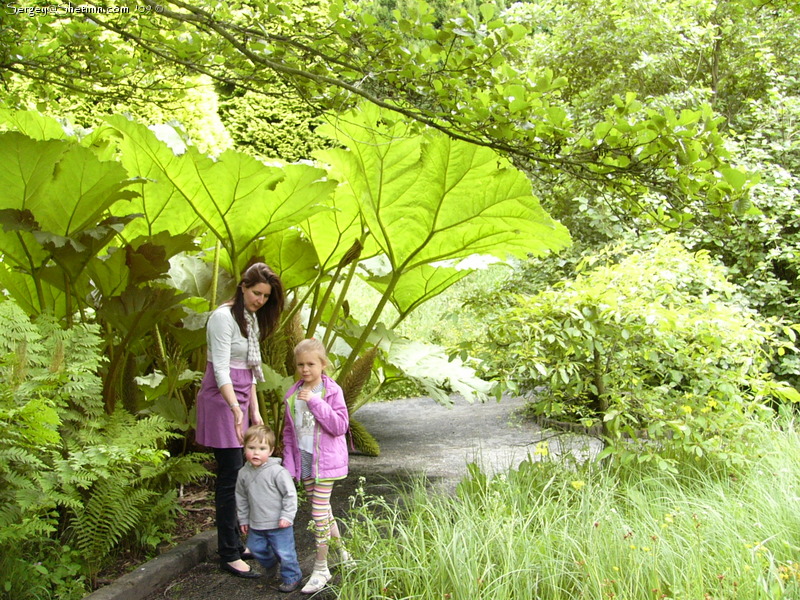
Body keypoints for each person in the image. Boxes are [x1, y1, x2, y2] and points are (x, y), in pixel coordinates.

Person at [195, 262, 284, 578]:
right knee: (231, 475)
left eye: (265, 296)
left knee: (243, 471)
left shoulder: (251, 318)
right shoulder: (223, 317)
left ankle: (236, 542)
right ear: (243, 287)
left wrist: (254, 411)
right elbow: (221, 369)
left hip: (242, 396)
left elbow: (250, 369)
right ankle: (229, 553)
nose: (260, 300)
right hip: (222, 399)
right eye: (256, 293)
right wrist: (234, 407)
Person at [282, 338, 351, 594]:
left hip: (326, 461)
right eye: (300, 364)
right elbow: (289, 433)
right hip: (305, 459)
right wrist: (290, 465)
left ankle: (322, 568)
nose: (305, 369)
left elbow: (339, 426)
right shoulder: (291, 394)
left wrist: (314, 401)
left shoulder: (331, 391)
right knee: (323, 509)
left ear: (323, 364)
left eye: (311, 364)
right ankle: (343, 554)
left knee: (318, 513)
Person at [236, 425, 303, 592]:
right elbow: (241, 497)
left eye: (262, 448)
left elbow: (290, 494)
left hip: (279, 524)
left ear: (271, 450)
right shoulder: (243, 473)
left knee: (285, 553)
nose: (256, 453)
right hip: (256, 524)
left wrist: (287, 516)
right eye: (251, 448)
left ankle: (292, 577)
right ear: (244, 449)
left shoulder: (278, 472)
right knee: (256, 548)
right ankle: (270, 563)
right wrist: (243, 518)